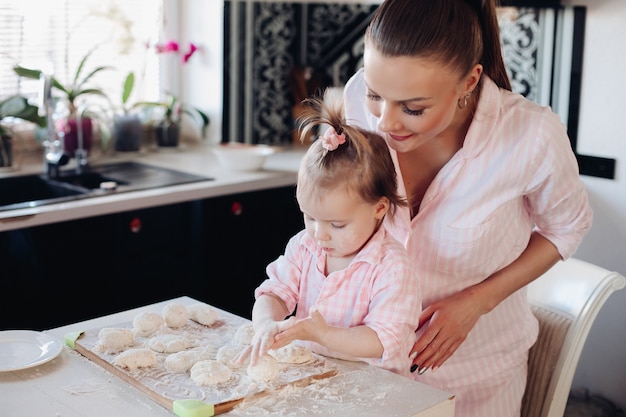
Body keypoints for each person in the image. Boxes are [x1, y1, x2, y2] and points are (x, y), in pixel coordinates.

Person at [342, 0, 593, 416]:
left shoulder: (530, 135)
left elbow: (565, 229)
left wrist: (477, 301)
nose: (385, 122)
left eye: (414, 108)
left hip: (475, 379)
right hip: (363, 370)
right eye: (375, 94)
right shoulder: (355, 102)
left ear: (469, 81)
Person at [241, 92, 422, 378]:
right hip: (312, 376)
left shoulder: (392, 268)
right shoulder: (304, 247)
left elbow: (382, 339)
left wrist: (322, 334)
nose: (319, 235)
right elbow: (275, 292)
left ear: (379, 208)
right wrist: (264, 322)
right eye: (310, 217)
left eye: (337, 225)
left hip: (374, 389)